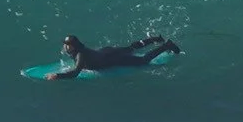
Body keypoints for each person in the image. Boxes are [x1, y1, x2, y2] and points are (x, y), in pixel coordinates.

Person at [49, 33, 179, 80]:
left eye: (68, 45)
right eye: (65, 44)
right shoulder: (79, 49)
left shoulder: (80, 55)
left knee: (144, 60)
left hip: (111, 59)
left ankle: (166, 45)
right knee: (131, 48)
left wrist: (58, 76)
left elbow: (75, 72)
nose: (66, 47)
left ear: (74, 45)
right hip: (105, 52)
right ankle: (155, 39)